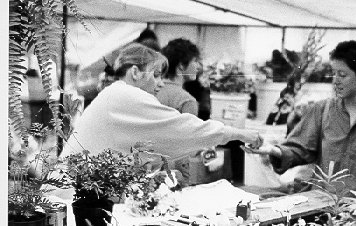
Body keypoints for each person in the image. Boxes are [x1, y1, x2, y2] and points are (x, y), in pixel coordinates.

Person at [244, 40, 356, 207]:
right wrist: (272, 149)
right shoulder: (322, 110)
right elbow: (301, 147)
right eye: (333, 73)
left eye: (342, 75)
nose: (335, 80)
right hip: (321, 207)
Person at [60, 43, 262, 164]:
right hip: (70, 197)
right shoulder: (127, 95)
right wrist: (240, 134)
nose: (160, 83)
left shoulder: (115, 93)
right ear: (136, 72)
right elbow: (183, 129)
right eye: (155, 75)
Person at [156, 38, 200, 115]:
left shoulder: (151, 91)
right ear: (182, 65)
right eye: (195, 61)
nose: (198, 66)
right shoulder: (187, 101)